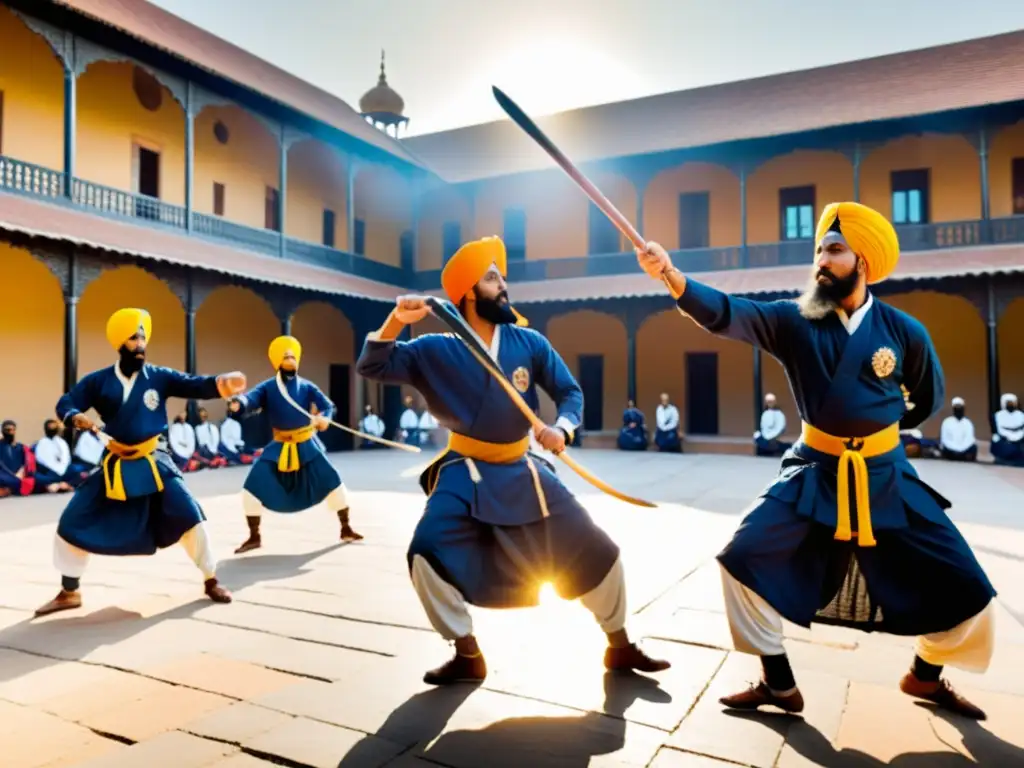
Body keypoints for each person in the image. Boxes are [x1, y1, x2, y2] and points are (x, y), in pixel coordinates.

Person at [636, 202, 994, 719]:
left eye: (833, 250)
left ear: (863, 262)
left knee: (971, 588)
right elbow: (730, 313)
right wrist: (671, 275)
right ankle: (777, 683)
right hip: (814, 470)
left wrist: (881, 429)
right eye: (819, 252)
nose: (821, 260)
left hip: (885, 476)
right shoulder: (792, 320)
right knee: (740, 560)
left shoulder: (904, 331)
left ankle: (925, 675)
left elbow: (928, 398)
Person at [357, 236, 670, 686]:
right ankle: (466, 652)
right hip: (463, 471)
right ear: (468, 293)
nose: (503, 285)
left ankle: (620, 645)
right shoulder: (435, 349)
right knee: (425, 552)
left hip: (524, 468)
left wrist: (561, 427)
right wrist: (393, 321)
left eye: (502, 277)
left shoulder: (529, 343)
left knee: (598, 548)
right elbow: (372, 368)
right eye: (491, 278)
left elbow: (570, 393)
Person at [34, 308, 246, 616]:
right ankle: (69, 591)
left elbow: (193, 384)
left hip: (153, 460)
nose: (140, 343)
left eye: (143, 337)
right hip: (115, 464)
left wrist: (220, 384)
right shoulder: (99, 381)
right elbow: (65, 402)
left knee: (189, 513)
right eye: (134, 337)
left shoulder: (159, 377)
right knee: (71, 521)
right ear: (120, 342)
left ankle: (211, 579)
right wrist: (74, 416)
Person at [230, 335, 362, 554]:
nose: (290, 360)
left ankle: (346, 527)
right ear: (278, 361)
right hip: (280, 445)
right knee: (251, 488)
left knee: (334, 481)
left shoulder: (307, 387)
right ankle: (254, 536)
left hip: (307, 443)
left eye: (293, 356)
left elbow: (327, 406)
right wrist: (238, 403)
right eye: (286, 356)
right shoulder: (268, 388)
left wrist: (325, 417)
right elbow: (249, 400)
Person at [34, 419, 88, 492]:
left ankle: (61, 485)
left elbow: (67, 458)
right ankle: (66, 485)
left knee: (81, 470)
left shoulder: (61, 442)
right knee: (36, 477)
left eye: (54, 427)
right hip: (50, 473)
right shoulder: (41, 443)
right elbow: (41, 462)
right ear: (46, 429)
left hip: (65, 471)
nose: (53, 429)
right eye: (50, 427)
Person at [0, 420, 38, 498]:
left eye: (12, 430)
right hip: (4, 475)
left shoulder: (20, 447)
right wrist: (12, 475)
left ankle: (7, 489)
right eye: (7, 430)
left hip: (19, 475)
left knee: (36, 478)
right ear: (2, 431)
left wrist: (21, 472)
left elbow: (25, 462)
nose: (10, 432)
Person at [991, 393, 1024, 466]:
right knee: (995, 438)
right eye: (1008, 403)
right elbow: (998, 431)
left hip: (1019, 443)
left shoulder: (1021, 415)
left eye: (1012, 403)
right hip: (1004, 441)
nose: (1010, 405)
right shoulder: (998, 415)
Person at [939, 397, 977, 462]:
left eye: (960, 407)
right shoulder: (947, 422)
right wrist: (955, 449)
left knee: (974, 447)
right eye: (956, 407)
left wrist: (961, 449)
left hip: (964, 450)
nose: (958, 410)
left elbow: (969, 439)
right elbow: (945, 439)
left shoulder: (968, 423)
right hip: (951, 450)